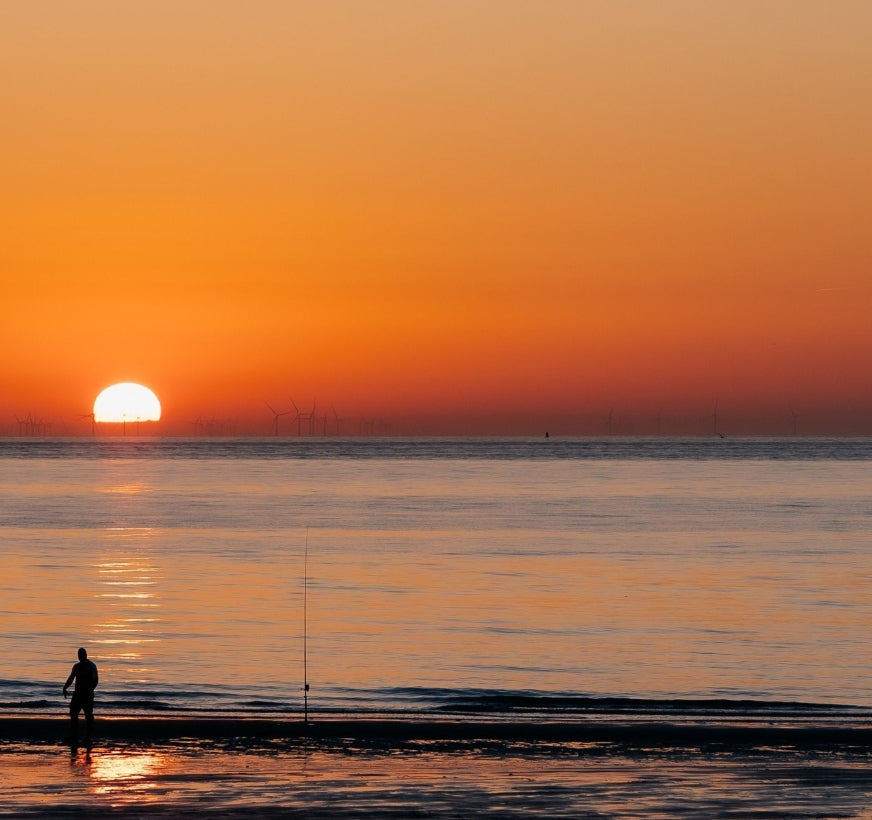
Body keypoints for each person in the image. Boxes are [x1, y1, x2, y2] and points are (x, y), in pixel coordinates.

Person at [63, 647, 98, 745]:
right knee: (74, 714)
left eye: (81, 655)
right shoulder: (77, 666)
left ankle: (88, 736)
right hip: (78, 694)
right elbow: (71, 678)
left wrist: (90, 690)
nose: (80, 657)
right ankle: (75, 735)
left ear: (85, 655)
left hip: (85, 694)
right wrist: (65, 687)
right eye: (79, 655)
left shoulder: (91, 666)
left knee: (88, 715)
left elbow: (95, 680)